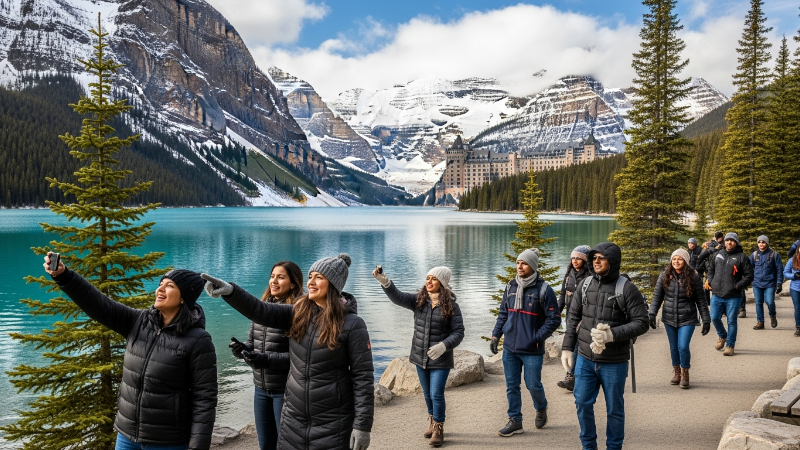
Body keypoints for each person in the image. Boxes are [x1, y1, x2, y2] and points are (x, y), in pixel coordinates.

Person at [43, 254, 217, 450]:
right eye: (161, 284)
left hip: (168, 442)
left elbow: (205, 399)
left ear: (184, 298)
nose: (160, 289)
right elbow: (99, 304)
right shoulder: (139, 322)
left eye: (170, 286)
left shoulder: (198, 341)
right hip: (127, 436)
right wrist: (64, 276)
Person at [202, 254, 373, 450]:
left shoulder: (352, 325)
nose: (311, 282)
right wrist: (230, 291)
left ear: (333, 284)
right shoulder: (298, 313)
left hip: (333, 420)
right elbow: (260, 310)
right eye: (310, 276)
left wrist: (362, 426)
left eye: (319, 277)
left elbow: (363, 378)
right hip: (293, 417)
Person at [561, 242, 649, 450]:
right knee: (582, 403)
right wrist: (566, 347)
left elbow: (642, 322)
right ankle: (588, 446)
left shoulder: (626, 288)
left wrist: (611, 335)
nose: (596, 261)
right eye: (594, 258)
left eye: (602, 258)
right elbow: (573, 317)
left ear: (613, 261)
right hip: (585, 357)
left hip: (614, 361)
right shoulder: (585, 285)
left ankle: (614, 447)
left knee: (614, 409)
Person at [373, 265, 464, 447]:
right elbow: (398, 297)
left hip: (441, 358)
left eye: (434, 279)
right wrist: (385, 282)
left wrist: (444, 346)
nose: (429, 282)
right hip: (420, 355)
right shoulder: (419, 301)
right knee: (427, 394)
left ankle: (438, 427)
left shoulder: (452, 306)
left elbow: (459, 332)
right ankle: (432, 420)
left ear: (442, 283)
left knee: (436, 393)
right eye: (428, 278)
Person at [229, 261, 304, 450]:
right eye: (272, 276)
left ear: (293, 283)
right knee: (266, 446)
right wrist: (243, 350)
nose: (274, 281)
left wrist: (266, 360)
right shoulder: (261, 309)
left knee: (287, 445)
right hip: (260, 389)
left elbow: (302, 357)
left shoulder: (300, 312)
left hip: (286, 391)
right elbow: (253, 345)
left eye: (281, 277)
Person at [489, 248, 561, 437]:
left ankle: (541, 407)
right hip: (510, 347)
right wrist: (496, 335)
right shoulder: (510, 286)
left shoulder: (544, 290)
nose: (519, 266)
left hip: (532, 349)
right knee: (512, 385)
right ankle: (515, 420)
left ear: (533, 266)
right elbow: (503, 314)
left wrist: (536, 337)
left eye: (524, 263)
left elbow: (554, 319)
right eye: (518, 262)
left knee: (533, 384)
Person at [648, 248, 711, 389]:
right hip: (669, 317)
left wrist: (706, 319)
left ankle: (685, 372)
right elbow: (657, 297)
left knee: (683, 346)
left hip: (687, 317)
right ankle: (676, 372)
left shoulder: (694, 277)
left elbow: (701, 301)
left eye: (680, 259)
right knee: (673, 347)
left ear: (685, 261)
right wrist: (652, 314)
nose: (676, 261)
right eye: (674, 259)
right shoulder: (664, 275)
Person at [706, 232, 754, 356]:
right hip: (717, 293)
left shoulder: (741, 257)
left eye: (732, 240)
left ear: (736, 242)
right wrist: (710, 280)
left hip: (733, 295)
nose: (729, 242)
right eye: (727, 240)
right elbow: (710, 269)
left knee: (731, 321)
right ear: (724, 241)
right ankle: (723, 336)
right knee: (714, 317)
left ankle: (730, 346)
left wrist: (738, 286)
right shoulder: (717, 254)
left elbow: (749, 275)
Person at [556, 245, 592, 391]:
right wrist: (556, 314)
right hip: (570, 316)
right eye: (573, 258)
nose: (575, 261)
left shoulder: (589, 276)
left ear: (585, 260)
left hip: (584, 317)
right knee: (576, 344)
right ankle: (577, 375)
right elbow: (562, 296)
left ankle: (571, 375)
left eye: (579, 258)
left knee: (576, 344)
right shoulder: (569, 274)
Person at [750, 236, 784, 330]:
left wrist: (779, 283)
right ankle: (760, 322)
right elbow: (748, 268)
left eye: (763, 242)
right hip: (757, 283)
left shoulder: (774, 255)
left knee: (769, 302)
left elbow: (779, 269)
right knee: (758, 303)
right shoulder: (754, 255)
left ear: (767, 243)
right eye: (759, 242)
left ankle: (772, 315)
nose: (761, 244)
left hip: (770, 283)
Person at [783, 251, 800, 337]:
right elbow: (785, 273)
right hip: (795, 288)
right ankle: (798, 328)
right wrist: (794, 276)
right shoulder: (792, 260)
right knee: (798, 309)